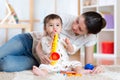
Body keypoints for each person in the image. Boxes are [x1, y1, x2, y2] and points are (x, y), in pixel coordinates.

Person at [0, 11, 106, 73]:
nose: (74, 26)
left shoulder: (90, 38)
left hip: (37, 60)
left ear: (88, 33)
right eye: (77, 21)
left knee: (5, 65)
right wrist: (41, 54)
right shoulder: (62, 18)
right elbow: (42, 39)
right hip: (28, 41)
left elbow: (88, 63)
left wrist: (96, 67)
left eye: (80, 29)